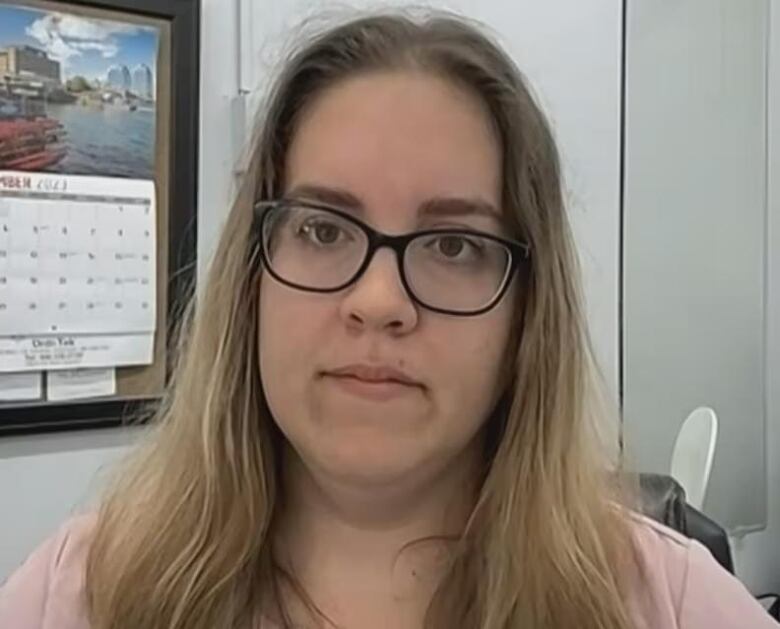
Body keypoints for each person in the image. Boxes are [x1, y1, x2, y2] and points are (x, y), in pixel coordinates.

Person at [0, 11, 775, 629]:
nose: (378, 301)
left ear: (527, 311)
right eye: (324, 229)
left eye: (452, 244)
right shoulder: (79, 594)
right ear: (250, 278)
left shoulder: (664, 602)